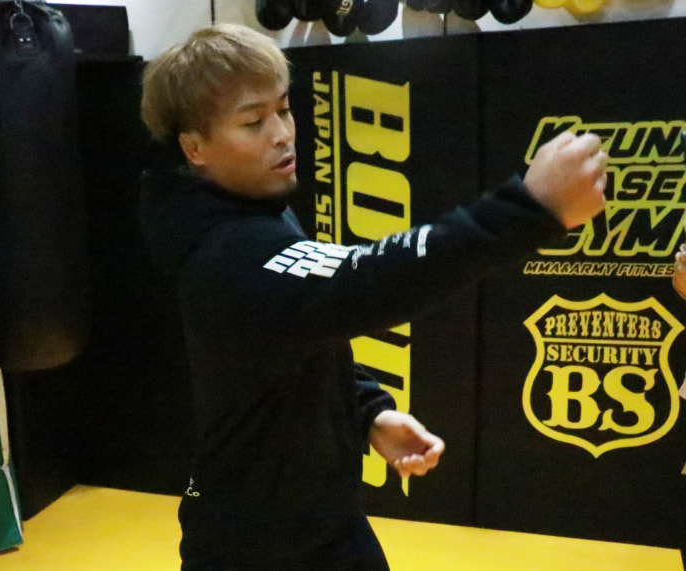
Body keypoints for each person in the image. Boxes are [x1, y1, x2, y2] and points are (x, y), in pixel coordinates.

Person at [139, 23, 607, 571]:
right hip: (250, 547)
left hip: (326, 523)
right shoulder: (225, 253)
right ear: (195, 147)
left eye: (284, 109)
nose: (283, 134)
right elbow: (369, 281)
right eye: (253, 121)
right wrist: (528, 210)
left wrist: (367, 413)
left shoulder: (258, 212)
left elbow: (307, 332)